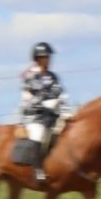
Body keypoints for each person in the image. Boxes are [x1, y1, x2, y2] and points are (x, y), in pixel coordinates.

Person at [17, 41, 70, 183]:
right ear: (38, 58)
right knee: (39, 134)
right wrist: (46, 103)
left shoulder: (53, 76)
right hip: (34, 115)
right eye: (46, 57)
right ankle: (37, 170)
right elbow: (33, 98)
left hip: (52, 114)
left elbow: (59, 93)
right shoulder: (30, 76)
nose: (49, 60)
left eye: (49, 57)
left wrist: (65, 110)